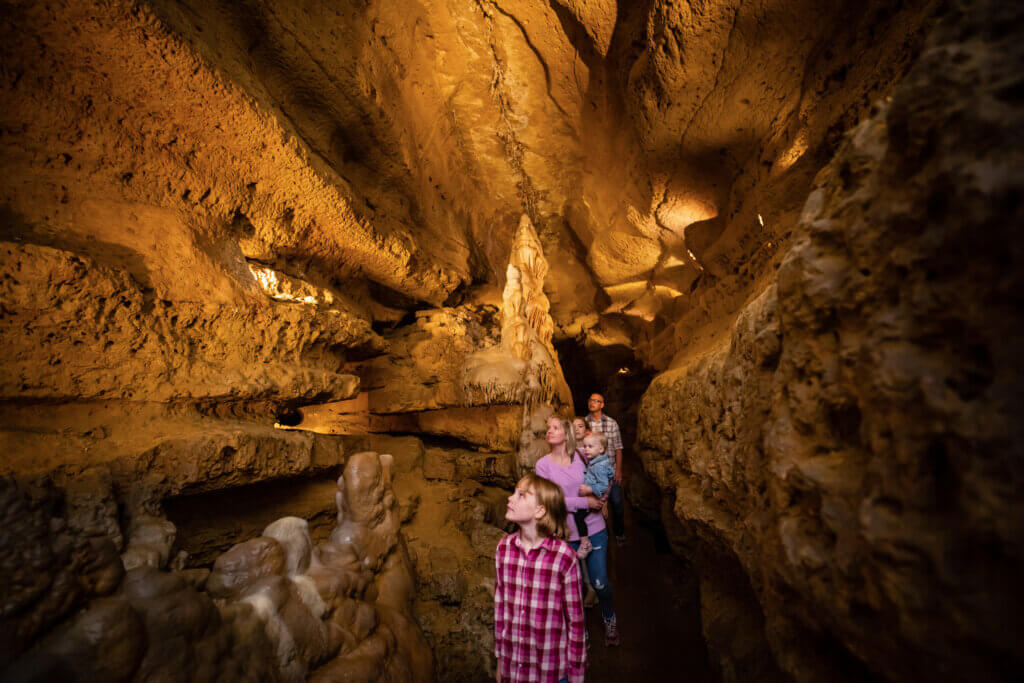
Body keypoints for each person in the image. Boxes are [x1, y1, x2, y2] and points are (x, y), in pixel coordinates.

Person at [536, 416, 621, 647]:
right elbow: (551, 501)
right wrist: (584, 503)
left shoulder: (583, 455)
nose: (549, 431)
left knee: (600, 582)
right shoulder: (542, 466)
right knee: (572, 589)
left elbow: (607, 474)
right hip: (564, 534)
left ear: (566, 433)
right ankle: (579, 630)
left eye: (554, 427)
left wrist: (602, 498)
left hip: (594, 528)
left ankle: (609, 618)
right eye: (548, 428)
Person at [494, 472, 586, 683]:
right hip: (513, 667)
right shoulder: (503, 548)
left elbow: (576, 622)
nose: (510, 498)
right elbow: (500, 609)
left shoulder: (564, 557)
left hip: (549, 671)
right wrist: (500, 661)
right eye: (514, 493)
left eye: (521, 495)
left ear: (540, 510)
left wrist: (576, 677)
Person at [585, 393, 626, 545]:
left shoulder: (611, 423)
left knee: (616, 502)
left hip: (610, 471)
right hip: (593, 473)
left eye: (596, 401)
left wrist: (619, 470)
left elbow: (618, 448)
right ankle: (602, 535)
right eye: (590, 400)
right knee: (595, 506)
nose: (592, 403)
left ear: (602, 405)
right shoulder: (585, 423)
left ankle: (620, 532)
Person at [570, 432, 614, 559]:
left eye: (590, 446)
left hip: (594, 498)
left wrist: (588, 489)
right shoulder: (596, 461)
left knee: (578, 516)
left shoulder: (599, 466)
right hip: (593, 495)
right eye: (585, 446)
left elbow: (603, 486)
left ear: (601, 449)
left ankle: (585, 543)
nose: (586, 449)